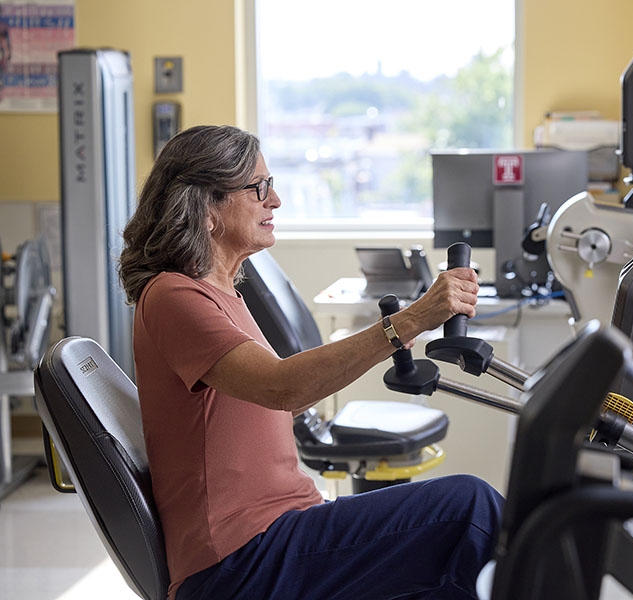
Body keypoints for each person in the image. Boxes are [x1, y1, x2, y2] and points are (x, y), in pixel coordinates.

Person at [118, 124, 504, 600]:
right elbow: (283, 389)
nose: (274, 200)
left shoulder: (223, 294)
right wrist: (415, 319)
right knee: (469, 510)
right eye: (258, 188)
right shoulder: (175, 295)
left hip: (281, 530)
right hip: (240, 562)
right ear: (207, 209)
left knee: (448, 587)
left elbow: (280, 400)